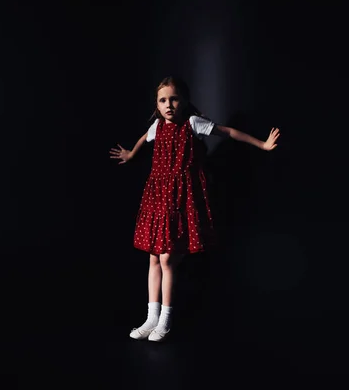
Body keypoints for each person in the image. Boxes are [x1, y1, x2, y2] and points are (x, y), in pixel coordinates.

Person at [109, 76, 280, 342]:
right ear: (157, 105)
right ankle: (151, 318)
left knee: (167, 258)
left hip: (181, 198)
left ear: (184, 101)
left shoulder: (191, 123)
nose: (169, 105)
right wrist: (131, 154)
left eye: (174, 99)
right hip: (158, 197)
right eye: (163, 100)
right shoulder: (157, 126)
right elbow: (145, 137)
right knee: (154, 256)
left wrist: (262, 144)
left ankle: (165, 319)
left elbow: (228, 132)